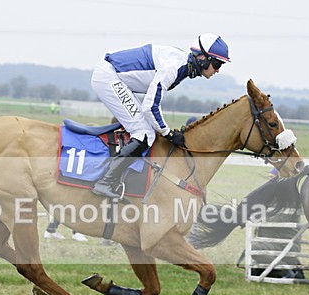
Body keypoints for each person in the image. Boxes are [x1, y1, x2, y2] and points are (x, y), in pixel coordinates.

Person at [90, 33, 230, 198]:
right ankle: (105, 181)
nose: (218, 70)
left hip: (114, 77)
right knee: (144, 134)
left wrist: (164, 130)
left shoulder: (183, 66)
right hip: (108, 77)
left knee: (147, 130)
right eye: (217, 64)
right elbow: (150, 107)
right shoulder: (175, 66)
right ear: (202, 58)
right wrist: (168, 133)